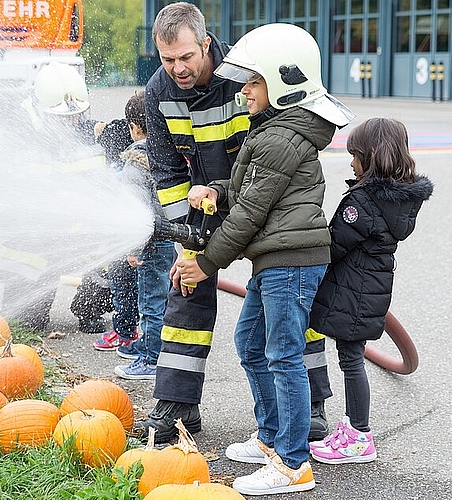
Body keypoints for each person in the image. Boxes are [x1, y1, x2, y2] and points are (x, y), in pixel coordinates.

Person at [137, 1, 333, 444]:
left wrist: (233, 227)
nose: (177, 68)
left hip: (265, 198)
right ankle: (178, 404)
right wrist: (186, 242)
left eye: (186, 57)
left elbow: (277, 148)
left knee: (289, 302)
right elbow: (167, 173)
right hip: (205, 203)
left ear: (205, 44)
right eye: (167, 59)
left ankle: (312, 405)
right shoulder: (157, 93)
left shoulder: (247, 74)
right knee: (184, 290)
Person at [174, 22, 354, 496]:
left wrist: (205, 263)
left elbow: (251, 213)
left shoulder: (279, 137)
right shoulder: (276, 130)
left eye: (254, 81)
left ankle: (293, 463)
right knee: (252, 344)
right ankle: (273, 436)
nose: (244, 90)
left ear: (284, 82)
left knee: (283, 355)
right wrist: (215, 190)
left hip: (289, 261)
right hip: (276, 260)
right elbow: (249, 191)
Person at [306, 118, 433, 465]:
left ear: (372, 156)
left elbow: (333, 246)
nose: (351, 162)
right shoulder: (401, 200)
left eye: (355, 155)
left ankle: (359, 436)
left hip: (353, 291)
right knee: (352, 357)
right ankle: (352, 428)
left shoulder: (360, 203)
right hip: (372, 288)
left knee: (350, 359)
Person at [0, 61, 115, 333]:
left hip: (82, 234)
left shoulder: (89, 134)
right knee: (25, 323)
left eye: (76, 116)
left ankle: (89, 308)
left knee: (113, 248)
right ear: (40, 110)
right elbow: (0, 207)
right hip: (36, 239)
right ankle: (28, 306)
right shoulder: (18, 140)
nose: (72, 123)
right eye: (63, 118)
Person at [113, 93, 176, 380]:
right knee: (160, 298)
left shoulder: (135, 162)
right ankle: (149, 346)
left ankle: (151, 360)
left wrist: (133, 247)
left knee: (150, 303)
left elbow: (135, 209)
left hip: (149, 243)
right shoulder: (165, 154)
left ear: (134, 127)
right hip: (168, 239)